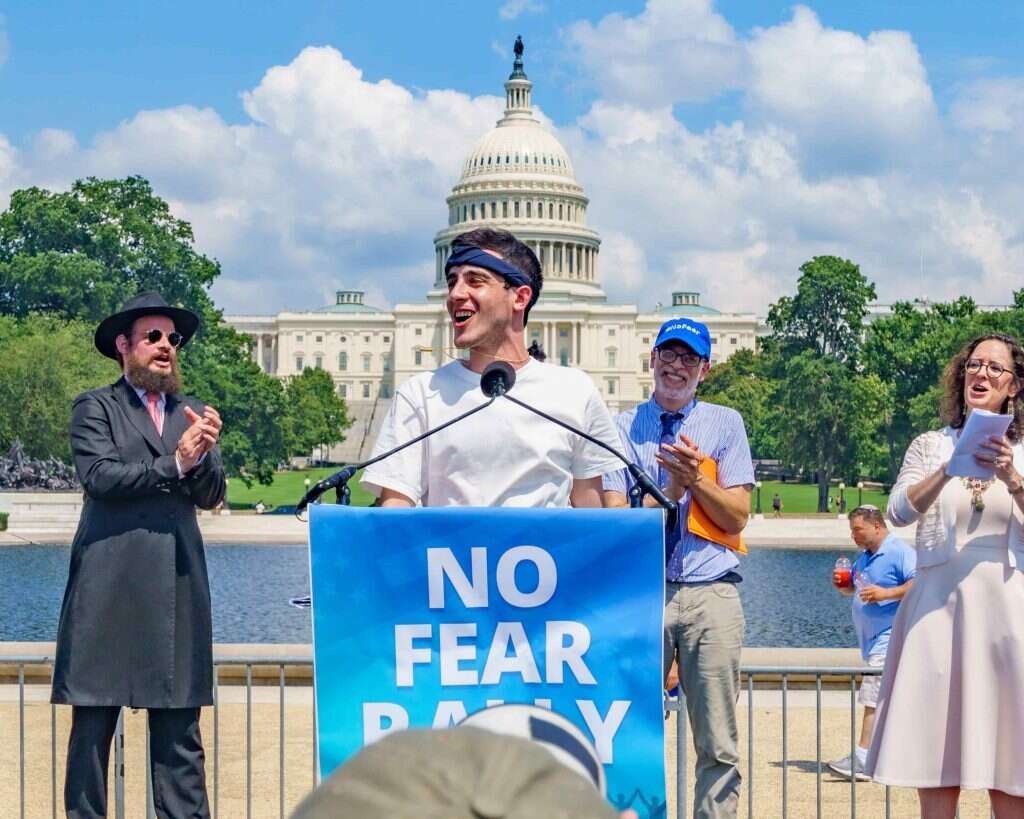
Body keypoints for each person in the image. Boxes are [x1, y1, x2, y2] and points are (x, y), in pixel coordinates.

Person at [52, 292, 226, 819]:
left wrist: (203, 455)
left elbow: (212, 495)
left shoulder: (190, 413)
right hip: (108, 589)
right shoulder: (95, 407)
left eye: (173, 338)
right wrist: (175, 463)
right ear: (123, 346)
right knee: (90, 739)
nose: (166, 346)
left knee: (181, 743)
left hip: (176, 589)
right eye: (153, 336)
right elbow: (100, 477)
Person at [866, 333, 1024, 817]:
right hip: (937, 617)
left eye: (995, 368)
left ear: (1014, 385)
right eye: (974, 364)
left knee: (1011, 773)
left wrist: (1013, 480)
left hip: (1007, 620)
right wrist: (948, 470)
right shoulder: (931, 444)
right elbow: (896, 513)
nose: (982, 374)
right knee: (936, 767)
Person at [603, 318, 754, 819]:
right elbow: (618, 523)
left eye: (689, 357)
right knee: (626, 729)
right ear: (652, 360)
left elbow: (737, 516)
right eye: (668, 354)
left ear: (704, 370)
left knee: (718, 742)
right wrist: (671, 490)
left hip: (711, 591)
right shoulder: (620, 428)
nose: (677, 366)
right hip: (642, 594)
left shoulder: (726, 423)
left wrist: (697, 481)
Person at [361, 228, 622, 507]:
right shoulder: (419, 394)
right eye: (452, 282)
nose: (455, 294)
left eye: (475, 281)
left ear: (520, 298)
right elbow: (396, 510)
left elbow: (590, 513)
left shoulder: (575, 391)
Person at [827, 505, 915, 781]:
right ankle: (890, 756)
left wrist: (887, 593)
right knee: (883, 697)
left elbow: (920, 583)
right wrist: (844, 587)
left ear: (876, 525)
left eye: (857, 529)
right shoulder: (864, 557)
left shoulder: (899, 552)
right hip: (872, 641)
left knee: (872, 696)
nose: (853, 535)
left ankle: (863, 758)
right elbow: (856, 589)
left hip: (890, 636)